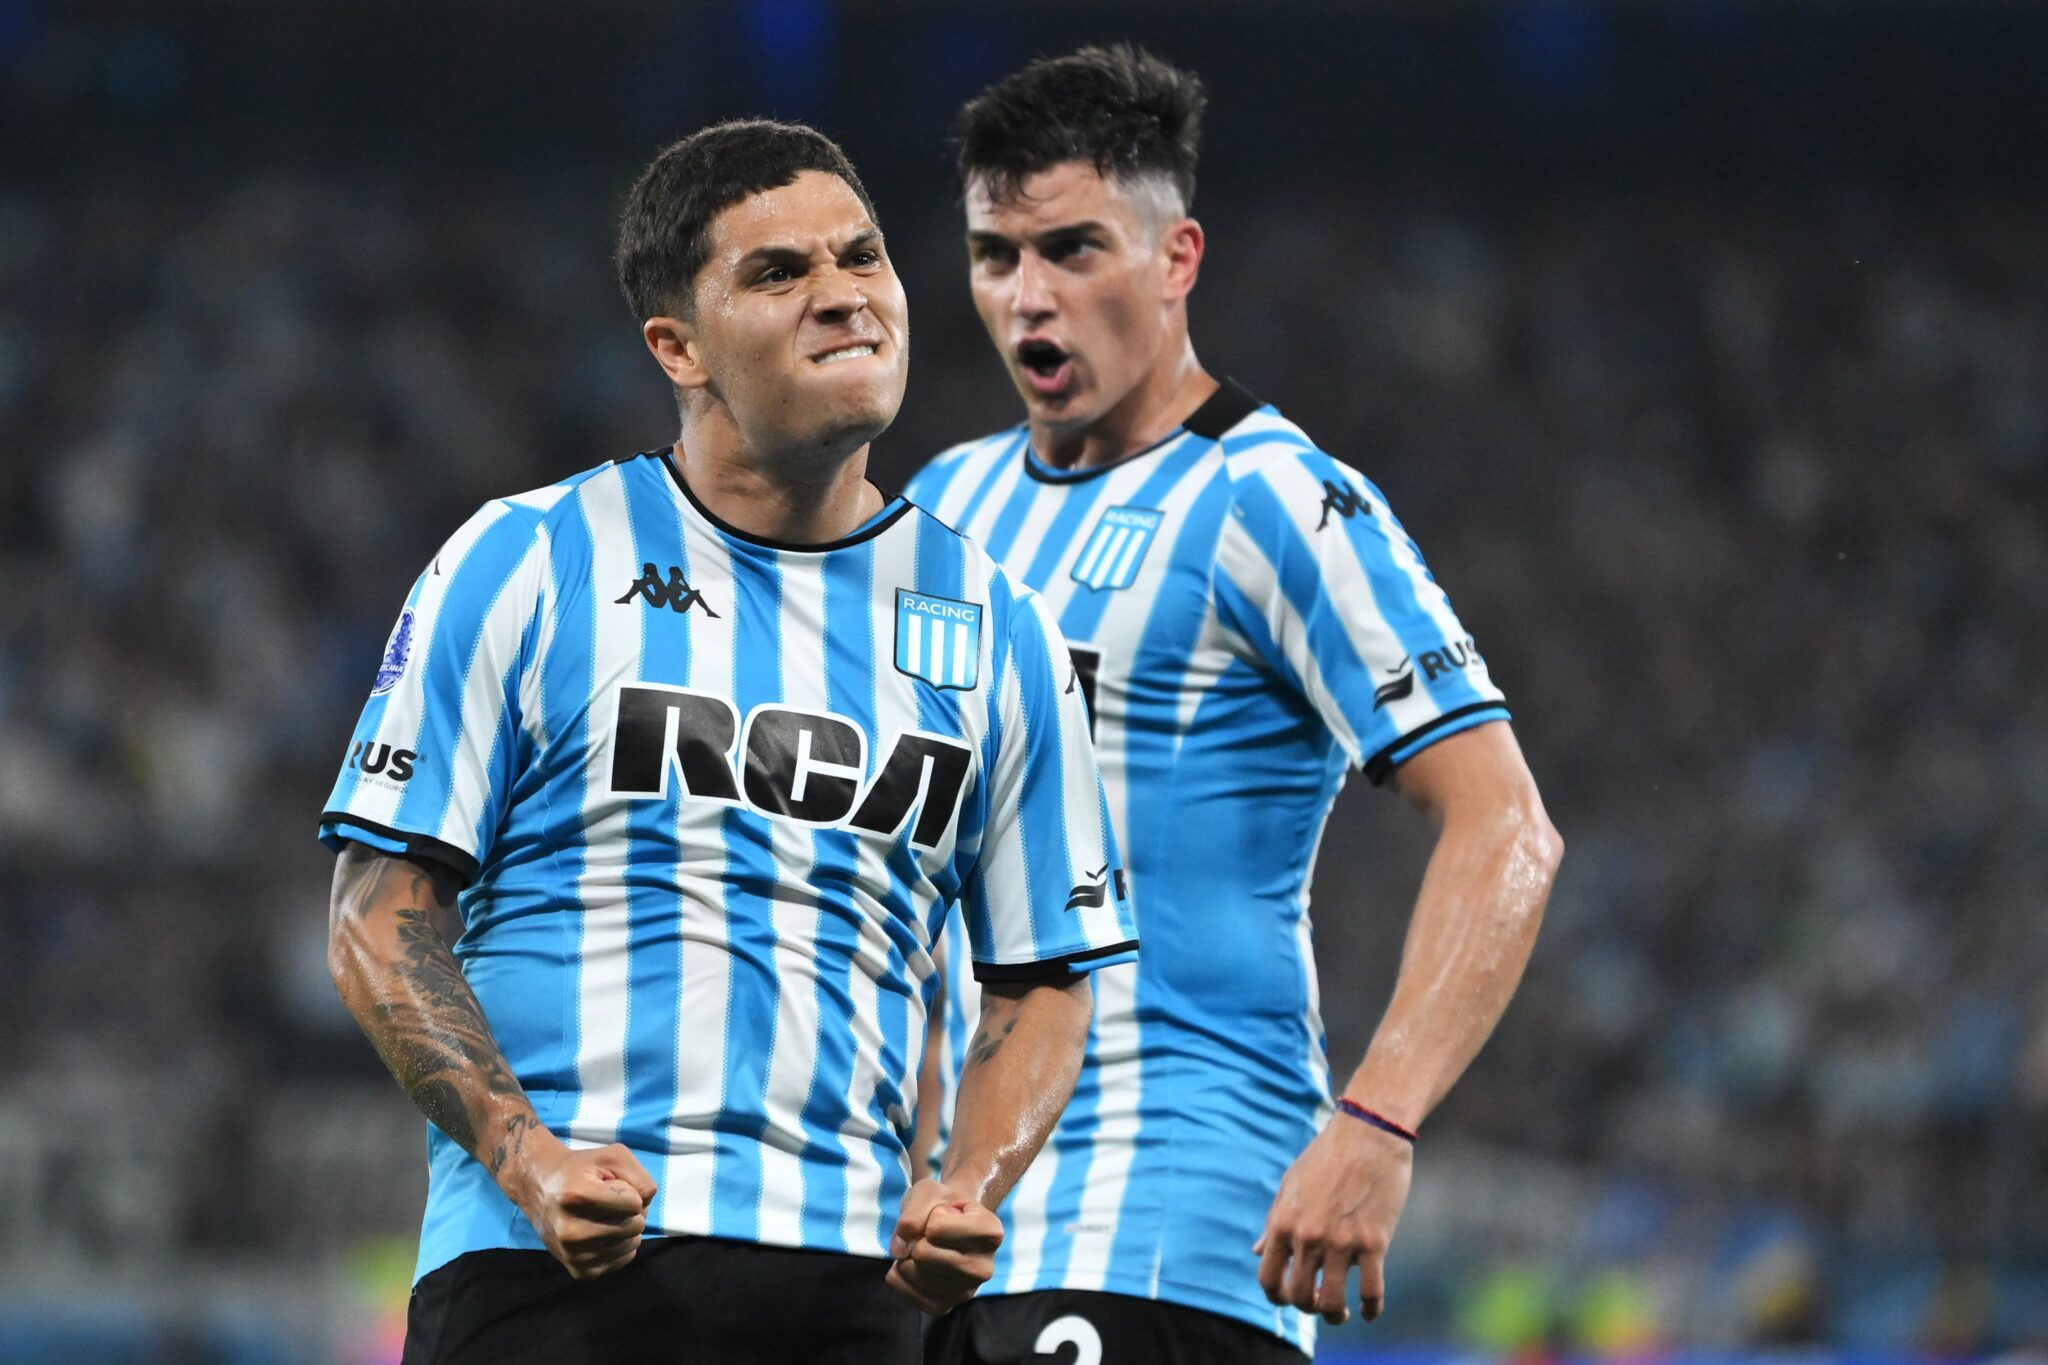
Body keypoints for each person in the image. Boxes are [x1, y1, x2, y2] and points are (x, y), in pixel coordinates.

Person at [319, 118, 1137, 1365]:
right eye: (779, 272)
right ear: (678, 346)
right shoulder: (529, 558)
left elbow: (1042, 975)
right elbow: (377, 915)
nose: (843, 295)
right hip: (555, 1264)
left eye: (861, 256)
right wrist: (527, 1162)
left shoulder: (1000, 627)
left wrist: (969, 1184)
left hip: (856, 1284)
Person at [908, 47, 1563, 1364]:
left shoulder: (1275, 500)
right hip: (946, 1235)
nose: (1030, 296)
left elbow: (1505, 827)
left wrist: (1376, 1122)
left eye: (1074, 249)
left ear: (1176, 258)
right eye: (995, 256)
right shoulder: (941, 505)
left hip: (1168, 1216)